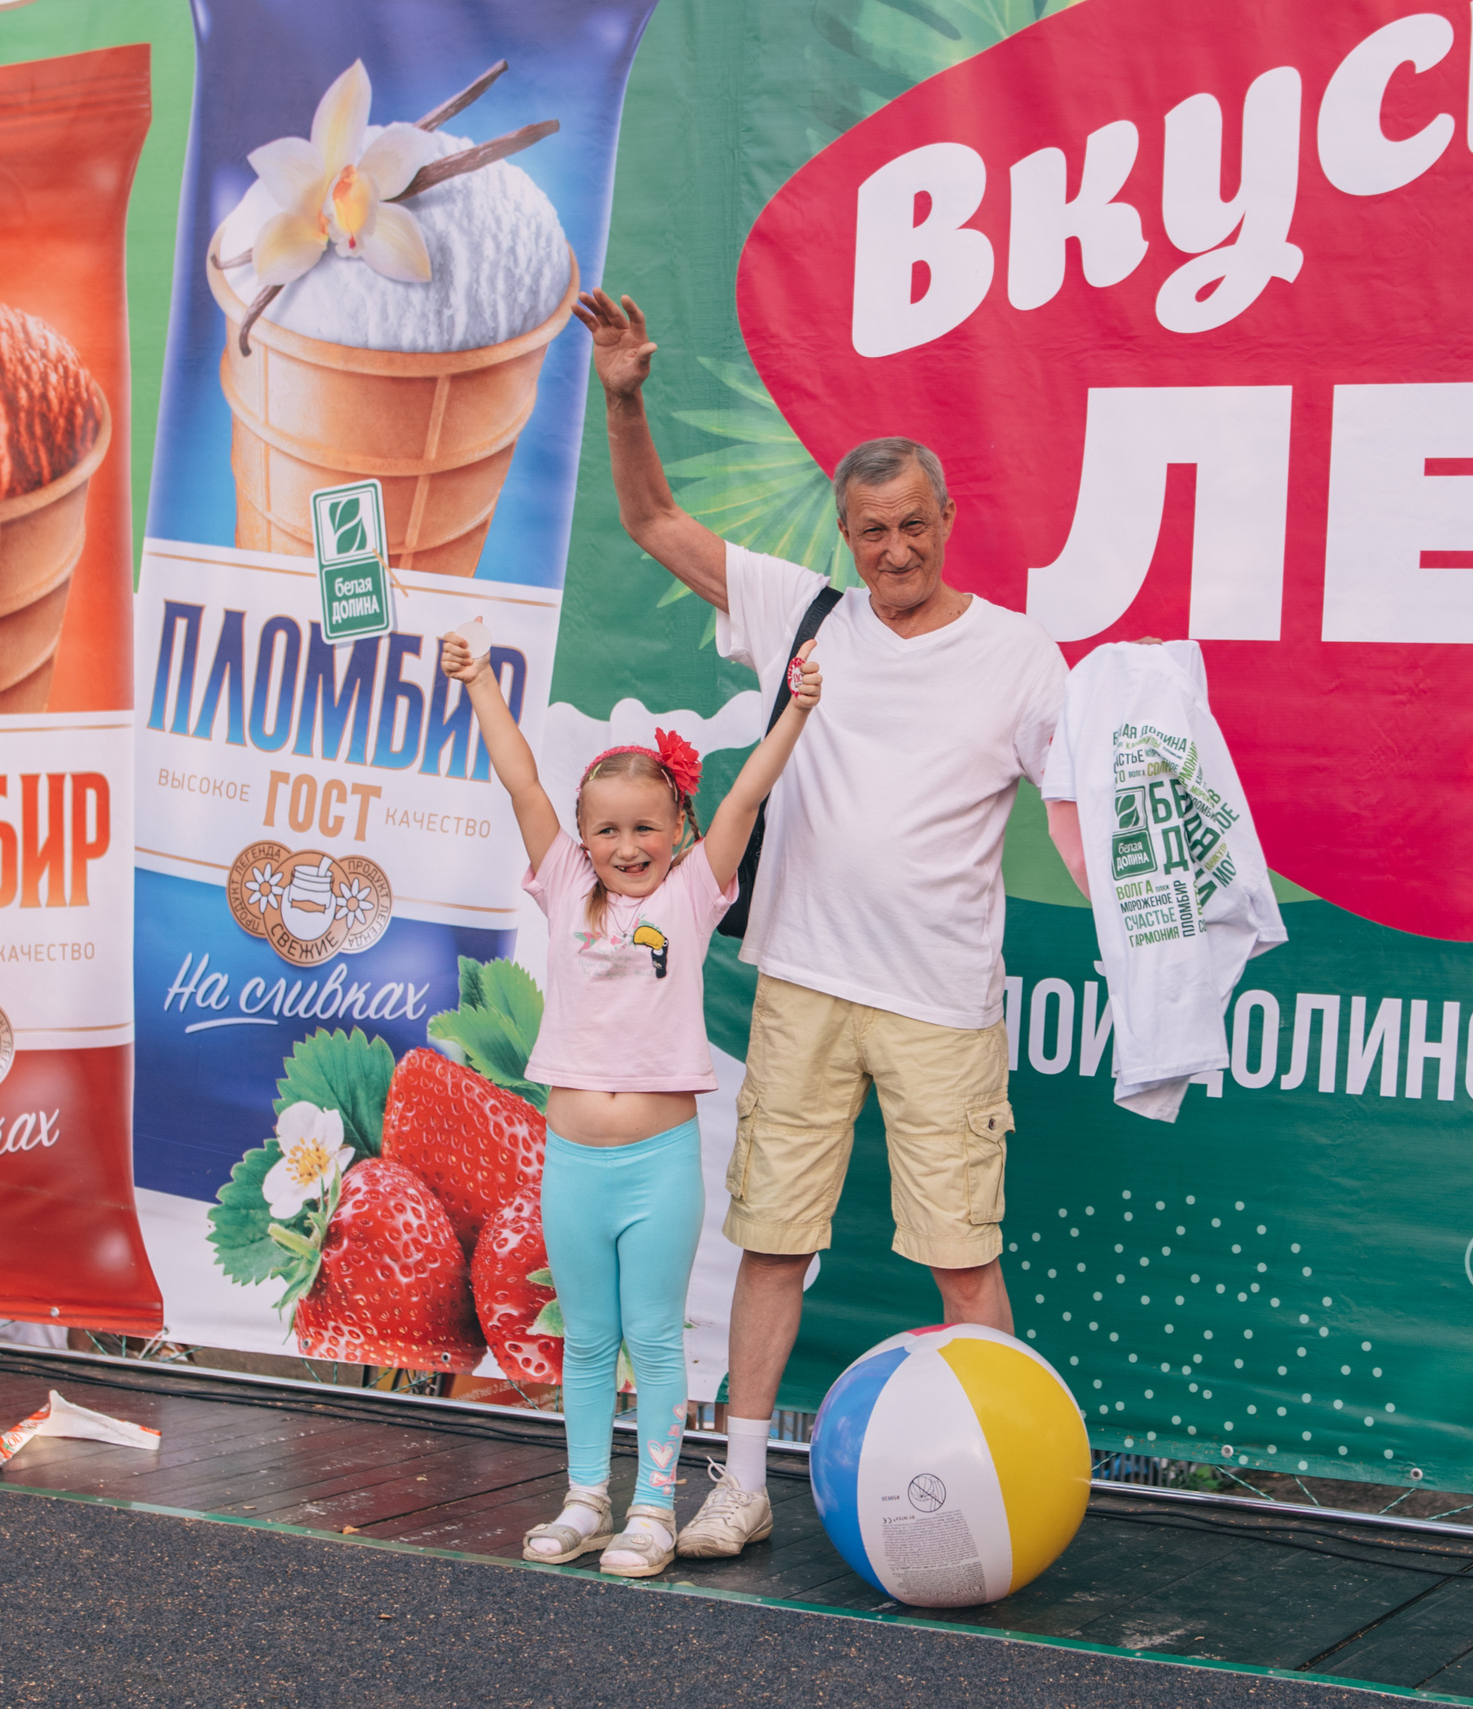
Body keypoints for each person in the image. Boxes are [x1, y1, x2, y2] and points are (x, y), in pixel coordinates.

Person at [574, 287, 1071, 1560]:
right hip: (800, 982)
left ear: (948, 520)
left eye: (912, 525)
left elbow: (1075, 817)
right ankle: (739, 1486)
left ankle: (1004, 1488)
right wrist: (624, 396)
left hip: (942, 1003)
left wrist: (1153, 938)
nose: (893, 550)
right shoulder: (803, 614)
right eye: (870, 532)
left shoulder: (1022, 654)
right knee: (771, 1239)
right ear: (843, 535)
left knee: (962, 1258)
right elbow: (650, 518)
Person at [442, 622, 823, 1578]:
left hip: (658, 1164)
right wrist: (482, 681)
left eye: (646, 827)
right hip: (571, 1161)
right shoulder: (565, 882)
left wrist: (799, 710)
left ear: (680, 834)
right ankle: (585, 1498)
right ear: (582, 839)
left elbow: (748, 793)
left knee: (653, 1336)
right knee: (587, 1339)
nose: (626, 844)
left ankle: (655, 1502)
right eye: (606, 829)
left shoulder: (695, 894)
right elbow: (523, 781)